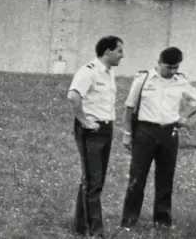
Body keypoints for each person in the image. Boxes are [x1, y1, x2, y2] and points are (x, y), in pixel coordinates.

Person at [119, 47, 196, 229]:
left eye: (176, 67)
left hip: (169, 134)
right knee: (137, 178)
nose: (172, 71)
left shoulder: (181, 81)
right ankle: (128, 221)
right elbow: (129, 107)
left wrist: (185, 118)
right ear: (158, 63)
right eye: (169, 67)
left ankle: (162, 221)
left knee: (165, 179)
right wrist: (127, 134)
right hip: (145, 132)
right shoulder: (143, 79)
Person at [67, 35, 125, 238]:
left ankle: (80, 226)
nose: (122, 55)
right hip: (91, 131)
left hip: (106, 128)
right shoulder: (88, 71)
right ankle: (96, 232)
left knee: (92, 180)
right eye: (119, 50)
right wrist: (85, 121)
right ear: (107, 51)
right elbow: (73, 96)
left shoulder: (109, 73)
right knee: (93, 181)